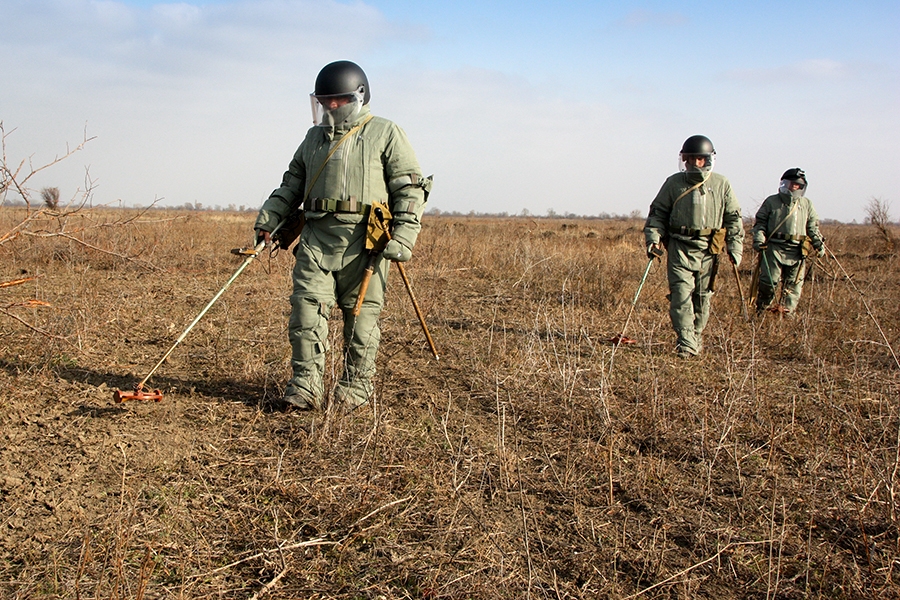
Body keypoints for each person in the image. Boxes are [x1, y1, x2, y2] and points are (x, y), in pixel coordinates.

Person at [254, 60, 429, 410]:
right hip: (317, 240)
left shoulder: (386, 132)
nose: (331, 107)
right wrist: (269, 220)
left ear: (358, 97)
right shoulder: (312, 138)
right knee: (306, 315)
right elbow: (292, 185)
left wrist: (404, 235)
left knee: (361, 322)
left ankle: (354, 392)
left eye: (339, 100)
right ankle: (304, 390)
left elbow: (409, 188)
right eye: (325, 101)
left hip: (367, 245)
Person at [643, 135, 744, 357]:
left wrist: (735, 248)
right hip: (680, 247)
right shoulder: (673, 183)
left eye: (700, 159)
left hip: (710, 249)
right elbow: (658, 213)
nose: (695, 164)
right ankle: (686, 342)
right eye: (691, 159)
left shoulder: (721, 184)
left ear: (708, 159)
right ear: (684, 160)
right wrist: (653, 239)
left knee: (702, 297)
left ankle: (696, 335)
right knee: (680, 295)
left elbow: (734, 219)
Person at [751, 168, 825, 315]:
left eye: (798, 185)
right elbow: (760, 223)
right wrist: (759, 240)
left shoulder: (806, 204)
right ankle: (763, 312)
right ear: (785, 183)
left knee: (793, 286)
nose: (794, 187)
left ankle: (787, 314)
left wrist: (818, 244)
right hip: (774, 248)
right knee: (769, 282)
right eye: (792, 184)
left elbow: (812, 228)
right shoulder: (772, 201)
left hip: (797, 250)